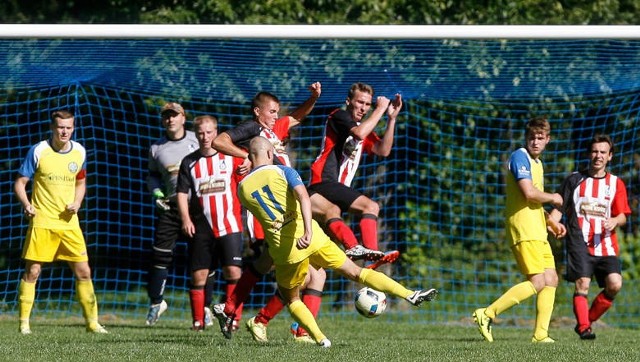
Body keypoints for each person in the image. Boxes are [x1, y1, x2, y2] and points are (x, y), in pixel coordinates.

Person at [236, 136, 438, 347]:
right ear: (270, 153)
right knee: (356, 273)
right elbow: (304, 198)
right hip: (313, 237)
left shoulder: (242, 188)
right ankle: (409, 294)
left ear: (250, 157)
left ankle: (321, 339)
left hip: (287, 251)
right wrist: (306, 230)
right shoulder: (283, 171)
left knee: (292, 298)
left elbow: (260, 216)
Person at [212, 83, 334, 342]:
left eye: (278, 112)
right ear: (258, 112)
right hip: (272, 214)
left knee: (266, 265)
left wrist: (313, 97)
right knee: (311, 275)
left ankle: (234, 310)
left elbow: (298, 116)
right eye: (272, 112)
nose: (276, 116)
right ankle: (288, 328)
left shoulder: (273, 131)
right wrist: (245, 155)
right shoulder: (252, 129)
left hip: (284, 210)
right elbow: (218, 141)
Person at [472, 116, 566, 343]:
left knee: (551, 278)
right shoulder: (519, 157)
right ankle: (487, 313)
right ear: (526, 138)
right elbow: (529, 193)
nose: (535, 141)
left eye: (540, 138)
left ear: (548, 140)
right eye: (532, 137)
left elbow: (534, 202)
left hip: (538, 230)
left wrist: (550, 222)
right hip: (524, 230)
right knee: (538, 281)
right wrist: (554, 197)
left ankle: (540, 334)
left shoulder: (538, 164)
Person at [14, 109, 108, 334]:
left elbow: (81, 182)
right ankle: (24, 324)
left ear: (73, 128)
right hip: (43, 222)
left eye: (68, 127)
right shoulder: (38, 151)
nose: (64, 131)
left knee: (84, 272)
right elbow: (20, 183)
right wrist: (27, 205)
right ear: (52, 128)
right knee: (33, 272)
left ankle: (92, 323)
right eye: (60, 127)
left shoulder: (79, 151)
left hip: (69, 224)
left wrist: (77, 202)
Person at [307, 82, 402, 270]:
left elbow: (383, 150)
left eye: (368, 104)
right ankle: (372, 255)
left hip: (336, 192)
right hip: (323, 182)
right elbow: (358, 133)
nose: (364, 108)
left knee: (314, 273)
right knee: (371, 206)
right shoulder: (338, 116)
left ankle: (355, 250)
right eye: (360, 102)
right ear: (348, 101)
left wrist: (391, 119)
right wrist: (380, 108)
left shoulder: (364, 128)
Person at [549, 134, 631, 340]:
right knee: (583, 283)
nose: (598, 156)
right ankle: (584, 327)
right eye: (595, 151)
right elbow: (559, 208)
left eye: (603, 152)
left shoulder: (616, 183)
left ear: (610, 156)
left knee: (615, 284)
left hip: (606, 244)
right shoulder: (574, 180)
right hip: (579, 241)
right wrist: (552, 224)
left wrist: (614, 221)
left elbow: (622, 215)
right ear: (588, 154)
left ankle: (587, 321)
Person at [145, 102, 216, 326]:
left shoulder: (197, 140)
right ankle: (157, 303)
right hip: (171, 207)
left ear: (183, 118)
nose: (170, 120)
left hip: (197, 208)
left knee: (204, 259)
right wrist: (156, 192)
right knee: (159, 255)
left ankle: (206, 308)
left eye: (174, 115)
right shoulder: (157, 148)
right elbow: (152, 175)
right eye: (166, 116)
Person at [176, 115, 245, 331]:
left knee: (233, 272)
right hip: (201, 227)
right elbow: (181, 193)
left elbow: (249, 172)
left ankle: (233, 317)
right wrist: (185, 219)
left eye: (209, 133)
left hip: (230, 224)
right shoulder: (189, 161)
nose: (205, 137)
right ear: (195, 134)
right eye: (200, 133)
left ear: (216, 133)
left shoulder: (231, 157)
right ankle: (198, 321)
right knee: (199, 275)